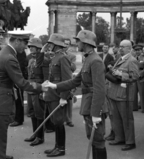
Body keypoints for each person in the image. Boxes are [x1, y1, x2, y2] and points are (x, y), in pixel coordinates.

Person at [0, 30, 47, 159]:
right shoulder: (9, 58)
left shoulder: (4, 52)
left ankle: (0, 155)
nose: (27, 46)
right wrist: (41, 87)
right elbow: (21, 82)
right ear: (17, 41)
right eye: (25, 43)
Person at [44, 30, 108, 159]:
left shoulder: (95, 61)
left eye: (78, 41)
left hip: (94, 106)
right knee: (92, 137)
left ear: (85, 42)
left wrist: (96, 113)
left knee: (98, 139)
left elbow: (99, 89)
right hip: (88, 103)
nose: (76, 43)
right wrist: (55, 85)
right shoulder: (88, 58)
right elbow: (75, 81)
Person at [43, 33, 73, 157]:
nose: (49, 45)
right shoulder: (54, 57)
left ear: (56, 45)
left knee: (59, 122)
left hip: (58, 95)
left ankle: (61, 148)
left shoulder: (63, 58)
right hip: (52, 94)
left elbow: (67, 79)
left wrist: (63, 97)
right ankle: (57, 146)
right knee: (55, 122)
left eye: (50, 43)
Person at [106, 40, 139, 151]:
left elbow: (135, 77)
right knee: (116, 118)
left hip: (125, 95)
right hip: (115, 93)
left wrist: (120, 74)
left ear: (129, 48)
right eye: (119, 46)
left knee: (127, 119)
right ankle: (119, 138)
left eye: (123, 47)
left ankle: (130, 142)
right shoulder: (120, 58)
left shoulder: (132, 60)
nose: (120, 48)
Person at [24, 37, 46, 146]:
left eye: (33, 46)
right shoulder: (30, 59)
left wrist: (43, 90)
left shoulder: (43, 59)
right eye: (30, 46)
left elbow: (46, 76)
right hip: (30, 88)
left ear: (38, 48)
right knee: (32, 112)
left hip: (38, 89)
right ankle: (35, 133)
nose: (30, 48)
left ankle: (40, 137)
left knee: (39, 113)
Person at [99, 44, 115, 141]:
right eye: (103, 47)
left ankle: (113, 132)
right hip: (103, 80)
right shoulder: (99, 55)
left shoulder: (111, 57)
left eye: (106, 47)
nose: (105, 49)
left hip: (107, 80)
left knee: (110, 110)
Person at [9, 50, 28, 127]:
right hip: (15, 78)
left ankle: (19, 119)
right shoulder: (15, 51)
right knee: (15, 99)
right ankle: (16, 118)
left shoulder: (20, 52)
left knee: (19, 99)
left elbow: (20, 66)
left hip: (18, 79)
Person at [63, 38, 76, 127]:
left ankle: (69, 119)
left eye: (68, 44)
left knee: (69, 99)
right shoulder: (57, 54)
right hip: (59, 80)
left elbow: (73, 68)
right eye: (65, 43)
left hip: (68, 79)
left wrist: (66, 58)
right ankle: (61, 119)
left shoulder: (71, 56)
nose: (66, 45)